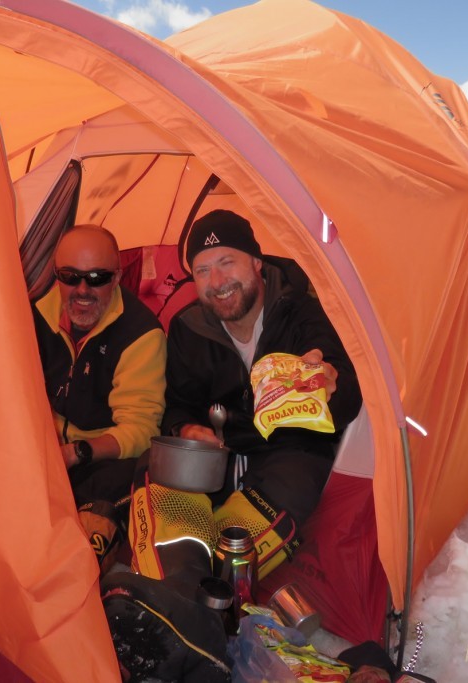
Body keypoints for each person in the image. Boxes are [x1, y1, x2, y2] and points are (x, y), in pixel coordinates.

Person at [102, 209, 362, 682]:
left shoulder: (303, 312)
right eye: (202, 270)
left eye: (228, 262)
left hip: (292, 451)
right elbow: (177, 406)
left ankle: (185, 614)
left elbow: (347, 396)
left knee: (246, 523)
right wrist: (187, 430)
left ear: (256, 263)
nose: (217, 280)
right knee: (154, 469)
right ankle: (186, 602)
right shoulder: (188, 328)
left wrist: (329, 388)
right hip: (221, 455)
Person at [32, 224, 167, 571]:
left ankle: (79, 581)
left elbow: (139, 429)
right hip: (37, 452)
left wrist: (76, 454)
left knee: (136, 473)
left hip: (97, 460)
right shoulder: (31, 315)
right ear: (55, 274)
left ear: (118, 276)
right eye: (70, 276)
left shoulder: (141, 334)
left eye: (97, 277)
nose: (82, 290)